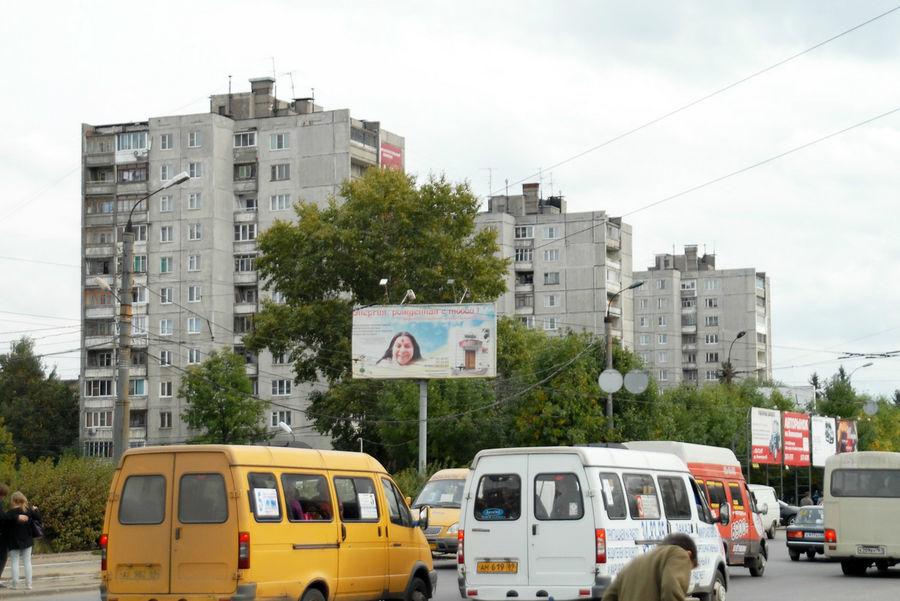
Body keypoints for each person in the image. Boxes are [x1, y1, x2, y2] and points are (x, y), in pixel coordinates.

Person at [602, 532, 698, 601]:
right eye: (689, 569)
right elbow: (671, 587)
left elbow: (609, 596)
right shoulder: (680, 554)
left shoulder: (634, 563)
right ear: (688, 554)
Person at [4, 491, 41, 591]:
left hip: (13, 540)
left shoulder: (10, 513)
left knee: (14, 562)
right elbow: (38, 518)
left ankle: (15, 585)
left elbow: (4, 525)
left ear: (13, 501)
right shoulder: (28, 511)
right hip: (27, 539)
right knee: (27, 561)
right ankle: (28, 584)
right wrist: (36, 510)